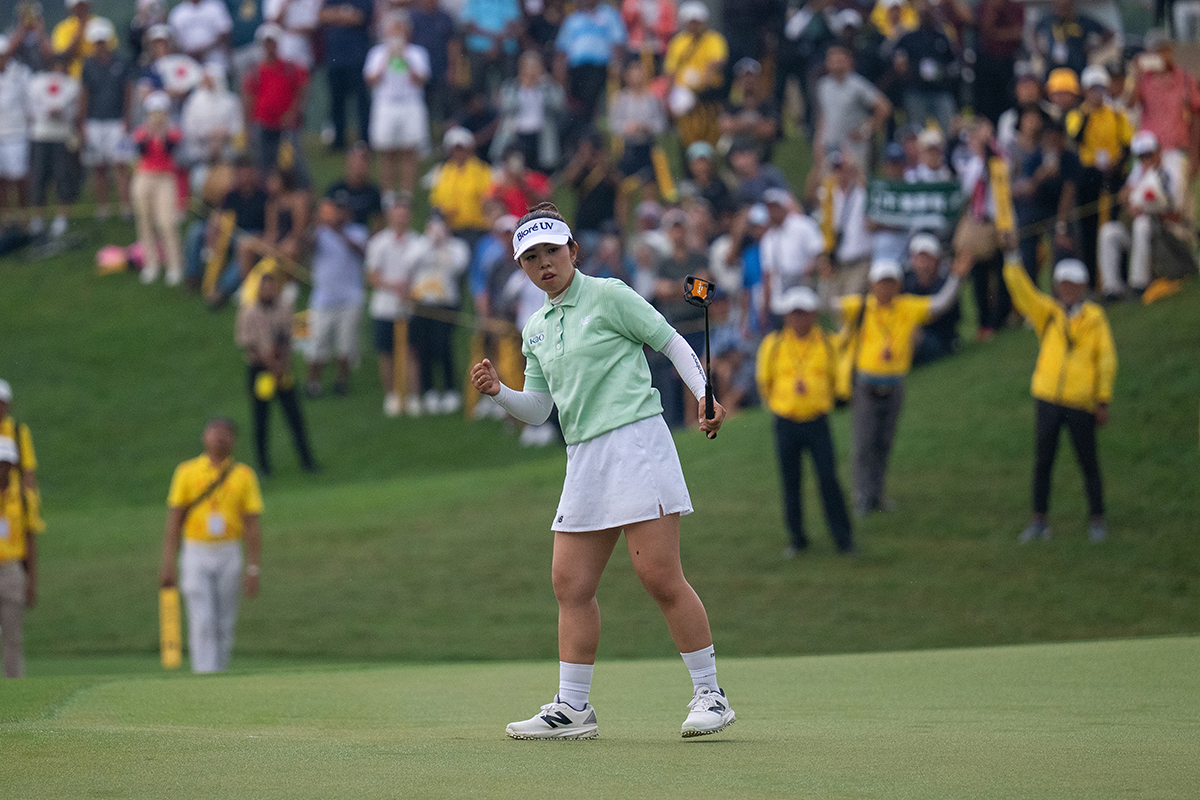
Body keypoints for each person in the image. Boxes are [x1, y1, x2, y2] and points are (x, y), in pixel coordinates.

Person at [469, 202, 735, 740]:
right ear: (522, 267)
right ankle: (573, 708)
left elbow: (671, 342)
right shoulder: (537, 328)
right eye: (532, 257)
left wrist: (705, 396)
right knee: (570, 583)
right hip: (584, 456)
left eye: (552, 251)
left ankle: (711, 694)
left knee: (659, 576)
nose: (544, 263)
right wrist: (500, 394)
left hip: (637, 442)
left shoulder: (610, 294)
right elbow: (541, 409)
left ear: (573, 251)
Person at [838, 254, 971, 516]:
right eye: (881, 283)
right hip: (866, 385)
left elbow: (941, 304)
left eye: (891, 282)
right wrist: (827, 276)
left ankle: (877, 496)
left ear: (898, 284)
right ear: (872, 285)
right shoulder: (861, 307)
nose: (886, 288)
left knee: (884, 443)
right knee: (864, 444)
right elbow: (828, 304)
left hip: (895, 384)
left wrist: (957, 277)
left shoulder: (907, 307)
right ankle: (862, 496)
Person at [1002, 251, 1116, 544]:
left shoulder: (1095, 318)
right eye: (1063, 284)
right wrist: (1013, 259)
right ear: (1056, 286)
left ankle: (1097, 518)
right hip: (1048, 398)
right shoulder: (1048, 313)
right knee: (1043, 461)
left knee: (1088, 461)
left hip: (1080, 401)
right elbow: (1024, 293)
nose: (1068, 289)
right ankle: (1039, 520)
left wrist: (1102, 399)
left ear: (1083, 286)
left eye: (1073, 284)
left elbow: (1106, 359)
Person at [159, 418, 263, 674]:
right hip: (196, 550)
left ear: (234, 440)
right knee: (202, 618)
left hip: (228, 550)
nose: (220, 438)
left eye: (226, 433)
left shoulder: (244, 475)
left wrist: (253, 568)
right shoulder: (187, 472)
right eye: (215, 432)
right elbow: (174, 520)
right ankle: (204, 674)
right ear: (205, 437)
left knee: (224, 621)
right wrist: (168, 561)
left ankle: (221, 672)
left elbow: (252, 525)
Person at [756, 286, 854, 557]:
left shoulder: (826, 343)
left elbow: (837, 380)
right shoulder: (773, 345)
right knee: (791, 483)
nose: (799, 319)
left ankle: (843, 538)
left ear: (813, 315)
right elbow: (765, 382)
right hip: (785, 421)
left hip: (817, 421)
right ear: (787, 316)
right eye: (794, 313)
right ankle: (797, 538)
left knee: (828, 479)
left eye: (804, 313)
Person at [235, 269, 318, 474]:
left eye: (273, 287)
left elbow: (288, 338)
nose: (269, 291)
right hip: (261, 369)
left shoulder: (284, 308)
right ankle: (263, 466)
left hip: (283, 368)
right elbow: (248, 344)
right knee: (261, 418)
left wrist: (283, 366)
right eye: (265, 287)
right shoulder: (250, 311)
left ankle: (307, 461)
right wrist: (271, 365)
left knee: (295, 416)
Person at [1067, 64, 1133, 287]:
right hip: (1089, 177)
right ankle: (1092, 281)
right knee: (1088, 231)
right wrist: (1088, 113)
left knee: (1114, 226)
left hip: (1114, 174)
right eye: (1092, 89)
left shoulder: (1116, 113)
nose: (1097, 94)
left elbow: (1127, 143)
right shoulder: (1077, 115)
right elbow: (1077, 138)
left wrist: (1118, 162)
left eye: (1100, 89)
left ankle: (1118, 277)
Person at [1097, 131, 1181, 299]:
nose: (1146, 160)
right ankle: (1112, 288)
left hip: (1163, 232)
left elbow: (1173, 211)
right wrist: (1127, 200)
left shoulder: (1168, 174)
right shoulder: (1136, 175)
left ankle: (1139, 284)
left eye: (1149, 155)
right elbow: (1126, 202)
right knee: (1108, 231)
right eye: (1142, 157)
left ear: (1158, 153)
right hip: (1135, 232)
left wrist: (1147, 209)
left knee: (1142, 224)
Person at [1129, 30, 1200, 221]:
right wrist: (1135, 74)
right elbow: (1129, 103)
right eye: (1156, 51)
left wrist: (1195, 156)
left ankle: (1175, 245)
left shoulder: (1185, 78)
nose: (1162, 55)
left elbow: (1195, 118)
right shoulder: (1143, 78)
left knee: (1175, 201)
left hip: (1176, 149)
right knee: (1146, 199)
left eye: (1165, 50)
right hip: (1148, 152)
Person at [366, 199, 425, 416]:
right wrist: (395, 286)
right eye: (397, 214)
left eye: (404, 213)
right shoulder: (379, 242)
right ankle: (391, 395)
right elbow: (372, 275)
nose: (400, 218)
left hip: (409, 307)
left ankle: (413, 396)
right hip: (384, 307)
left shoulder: (419, 243)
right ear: (391, 216)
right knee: (387, 353)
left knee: (411, 352)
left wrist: (411, 289)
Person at [306, 193, 368, 397]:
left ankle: (342, 381)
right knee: (317, 343)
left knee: (345, 345)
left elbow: (362, 252)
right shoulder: (320, 233)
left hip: (350, 298)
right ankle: (313, 383)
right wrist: (319, 225)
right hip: (323, 297)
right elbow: (307, 247)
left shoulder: (358, 231)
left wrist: (339, 231)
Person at [364, 11, 431, 201]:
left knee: (410, 150)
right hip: (386, 104)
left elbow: (421, 80)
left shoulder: (417, 53)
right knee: (386, 151)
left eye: (401, 29)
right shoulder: (377, 53)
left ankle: (406, 195)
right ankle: (388, 196)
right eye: (393, 29)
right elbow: (371, 80)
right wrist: (387, 58)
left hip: (410, 104)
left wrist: (405, 59)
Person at [408, 213, 470, 414]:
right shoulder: (419, 244)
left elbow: (458, 267)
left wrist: (443, 246)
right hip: (423, 304)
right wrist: (429, 244)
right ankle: (430, 390)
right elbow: (409, 262)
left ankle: (450, 388)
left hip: (445, 304)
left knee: (443, 346)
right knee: (423, 347)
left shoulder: (456, 246)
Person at [79, 17, 134, 221]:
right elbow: (84, 94)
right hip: (94, 121)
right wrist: (82, 122)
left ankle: (125, 207)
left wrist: (127, 119)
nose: (100, 45)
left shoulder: (121, 62)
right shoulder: (88, 65)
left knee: (121, 165)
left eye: (102, 40)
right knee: (99, 167)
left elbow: (128, 92)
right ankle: (103, 208)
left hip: (116, 121)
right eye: (97, 41)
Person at [241, 24, 309, 187]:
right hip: (263, 122)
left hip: (286, 124)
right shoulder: (255, 71)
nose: (270, 46)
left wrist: (294, 112)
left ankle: (302, 191)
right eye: (266, 43)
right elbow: (248, 98)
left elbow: (302, 88)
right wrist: (248, 125)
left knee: (294, 162)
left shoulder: (289, 67)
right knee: (263, 164)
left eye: (272, 42)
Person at [130, 91, 185, 286]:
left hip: (165, 178)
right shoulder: (141, 133)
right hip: (144, 176)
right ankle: (150, 263)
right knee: (144, 220)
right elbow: (142, 151)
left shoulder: (173, 132)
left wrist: (161, 133)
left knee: (167, 222)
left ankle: (175, 265)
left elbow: (170, 149)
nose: (156, 117)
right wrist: (150, 132)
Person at [26, 52, 81, 238]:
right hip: (41, 135)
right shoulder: (37, 82)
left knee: (62, 177)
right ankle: (38, 219)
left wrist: (62, 114)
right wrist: (45, 113)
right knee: (39, 178)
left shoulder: (72, 85)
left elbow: (75, 110)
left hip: (61, 136)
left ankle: (61, 218)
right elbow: (32, 107)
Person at [813, 44, 890, 175]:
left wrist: (865, 131)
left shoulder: (857, 85)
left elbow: (884, 107)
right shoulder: (823, 85)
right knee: (828, 185)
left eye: (840, 61)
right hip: (829, 145)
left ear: (849, 62)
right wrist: (818, 141)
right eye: (833, 61)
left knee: (856, 182)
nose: (836, 65)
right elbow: (824, 115)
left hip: (853, 146)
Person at [663, 0, 727, 149]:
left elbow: (718, 60)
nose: (695, 25)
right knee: (682, 107)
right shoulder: (678, 42)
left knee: (710, 125)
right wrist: (668, 95)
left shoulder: (713, 39)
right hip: (685, 91)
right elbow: (671, 70)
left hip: (708, 92)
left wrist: (707, 74)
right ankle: (688, 144)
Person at [553, 0, 627, 128]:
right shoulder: (572, 20)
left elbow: (618, 42)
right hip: (577, 72)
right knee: (579, 111)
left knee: (597, 108)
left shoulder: (609, 15)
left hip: (602, 70)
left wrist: (618, 65)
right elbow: (562, 50)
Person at [490, 50, 565, 173]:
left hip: (540, 136)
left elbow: (559, 104)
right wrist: (523, 85)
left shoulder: (546, 87)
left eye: (535, 66)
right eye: (529, 66)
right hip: (517, 135)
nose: (532, 70)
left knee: (539, 171)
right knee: (516, 170)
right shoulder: (511, 87)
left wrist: (545, 81)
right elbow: (505, 108)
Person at [0, 435, 38, 679]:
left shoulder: (23, 498)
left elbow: (31, 540)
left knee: (13, 636)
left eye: (6, 462)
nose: (2, 467)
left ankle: (15, 687)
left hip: (12, 569)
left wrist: (31, 581)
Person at [891, 2, 959, 135]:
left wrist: (943, 73)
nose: (927, 17)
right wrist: (907, 72)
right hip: (916, 91)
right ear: (919, 16)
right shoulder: (909, 37)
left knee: (948, 130)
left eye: (929, 14)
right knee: (917, 131)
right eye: (923, 14)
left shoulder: (942, 37)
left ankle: (947, 154)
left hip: (939, 90)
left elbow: (954, 63)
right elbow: (896, 59)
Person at [319, 0, 374, 150]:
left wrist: (336, 15)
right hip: (335, 58)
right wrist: (345, 14)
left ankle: (364, 141)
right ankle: (338, 142)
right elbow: (322, 15)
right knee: (337, 102)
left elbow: (360, 17)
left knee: (361, 102)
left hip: (357, 58)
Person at [902, 233, 960, 365]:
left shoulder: (945, 282)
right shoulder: (906, 282)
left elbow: (942, 310)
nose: (923, 264)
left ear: (937, 260)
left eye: (927, 258)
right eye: (919, 258)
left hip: (938, 339)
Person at [429, 126, 493, 245]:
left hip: (476, 228)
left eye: (461, 148)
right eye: (455, 149)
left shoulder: (482, 170)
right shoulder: (442, 171)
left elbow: (488, 199)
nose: (458, 152)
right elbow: (436, 202)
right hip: (450, 228)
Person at [1031, 0, 1111, 79]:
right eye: (1059, 7)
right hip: (1053, 67)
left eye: (1065, 7)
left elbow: (1108, 33)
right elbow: (1034, 31)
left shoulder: (1082, 20)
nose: (1061, 10)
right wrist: (1039, 50)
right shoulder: (1049, 20)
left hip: (1078, 66)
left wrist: (1094, 47)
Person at [0, 36, 33, 226]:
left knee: (20, 177)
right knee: (1, 180)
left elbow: (28, 104)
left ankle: (23, 216)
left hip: (16, 133)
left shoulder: (20, 73)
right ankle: (5, 218)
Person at [325, 142, 383, 229]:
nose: (359, 166)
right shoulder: (336, 189)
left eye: (363, 162)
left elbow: (379, 221)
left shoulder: (373, 192)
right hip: (337, 231)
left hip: (361, 233)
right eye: (355, 161)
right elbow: (325, 216)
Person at [167, 0, 233, 68]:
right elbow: (174, 41)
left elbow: (224, 33)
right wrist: (191, 52)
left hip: (215, 61)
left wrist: (204, 50)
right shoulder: (177, 13)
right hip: (189, 63)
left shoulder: (214, 6)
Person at [263, 0, 321, 70]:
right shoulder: (272, 1)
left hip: (303, 52)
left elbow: (312, 25)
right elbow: (272, 24)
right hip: (282, 51)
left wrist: (289, 29)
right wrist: (286, 3)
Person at [49, 0, 97, 79]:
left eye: (83, 5)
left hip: (96, 76)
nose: (81, 9)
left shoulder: (99, 24)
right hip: (72, 78)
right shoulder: (63, 28)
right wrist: (81, 28)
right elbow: (63, 57)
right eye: (78, 6)